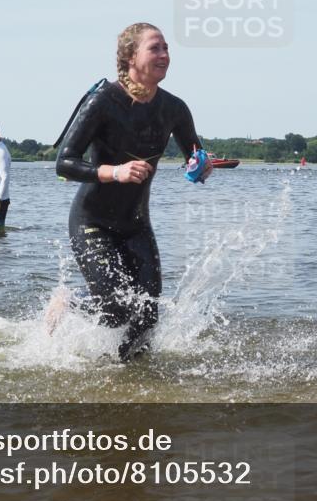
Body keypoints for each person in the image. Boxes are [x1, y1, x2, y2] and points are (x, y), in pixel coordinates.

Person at [55, 23, 212, 361]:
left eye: (166, 48)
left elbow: (194, 156)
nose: (164, 55)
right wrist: (116, 171)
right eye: (155, 48)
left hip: (136, 224)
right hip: (92, 222)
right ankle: (69, 303)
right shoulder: (103, 101)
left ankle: (128, 373)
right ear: (130, 57)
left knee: (147, 317)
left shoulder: (174, 108)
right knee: (115, 311)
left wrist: (201, 165)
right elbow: (64, 163)